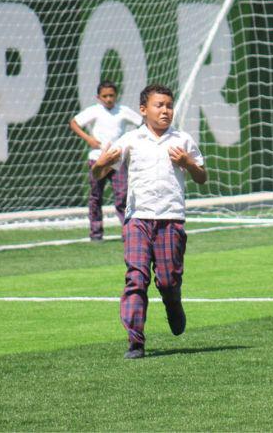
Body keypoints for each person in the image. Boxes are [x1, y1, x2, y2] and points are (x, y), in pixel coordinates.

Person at [91, 84, 207, 359]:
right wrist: (101, 163)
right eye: (159, 105)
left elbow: (202, 177)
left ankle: (173, 303)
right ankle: (135, 341)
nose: (165, 110)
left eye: (169, 105)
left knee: (167, 280)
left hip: (170, 219)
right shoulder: (130, 140)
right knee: (136, 277)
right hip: (137, 220)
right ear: (143, 110)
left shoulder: (183, 140)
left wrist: (189, 163)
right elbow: (98, 174)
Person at [70, 81, 140, 241]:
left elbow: (142, 123)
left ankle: (127, 231)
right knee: (96, 196)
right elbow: (74, 123)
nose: (108, 99)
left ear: (116, 95)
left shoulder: (123, 111)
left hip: (117, 159)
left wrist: (129, 143)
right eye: (105, 96)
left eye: (111, 95)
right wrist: (89, 139)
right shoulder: (94, 111)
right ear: (98, 97)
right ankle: (96, 233)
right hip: (97, 159)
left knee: (123, 195)